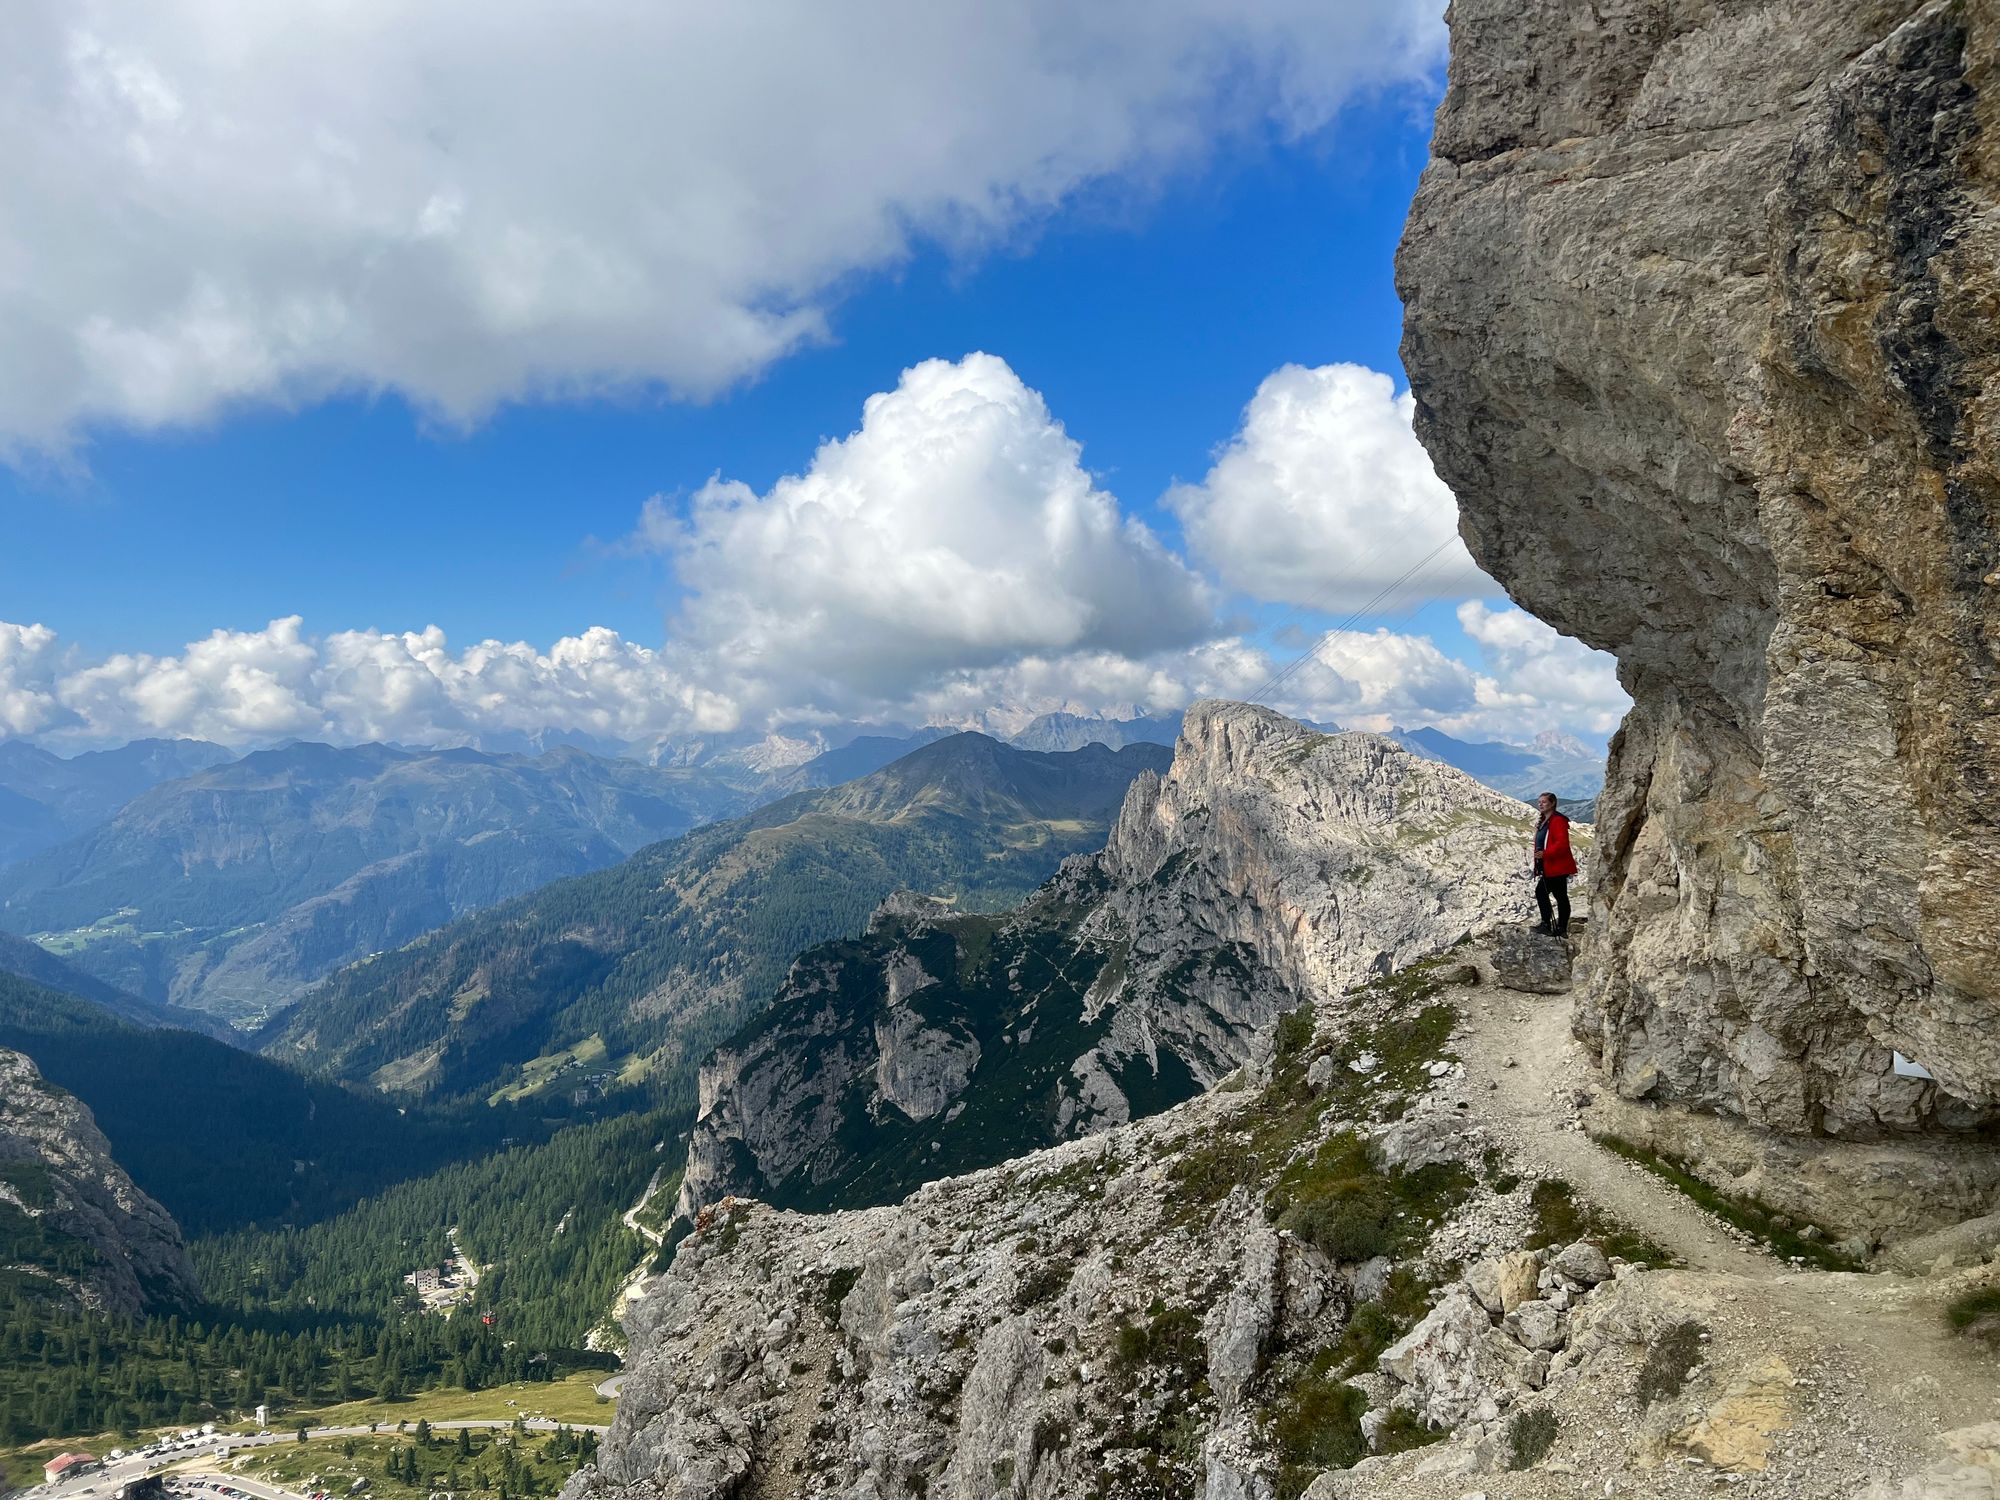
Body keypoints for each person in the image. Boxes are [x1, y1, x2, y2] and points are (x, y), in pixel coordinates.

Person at [1531, 791, 1576, 936]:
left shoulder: (1557, 820)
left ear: (1552, 803)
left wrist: (1545, 853)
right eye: (1539, 802)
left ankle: (1548, 924)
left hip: (1556, 865)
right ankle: (1560, 927)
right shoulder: (1545, 820)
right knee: (1560, 895)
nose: (1540, 804)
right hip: (1549, 865)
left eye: (1544, 802)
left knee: (1542, 892)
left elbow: (1561, 844)